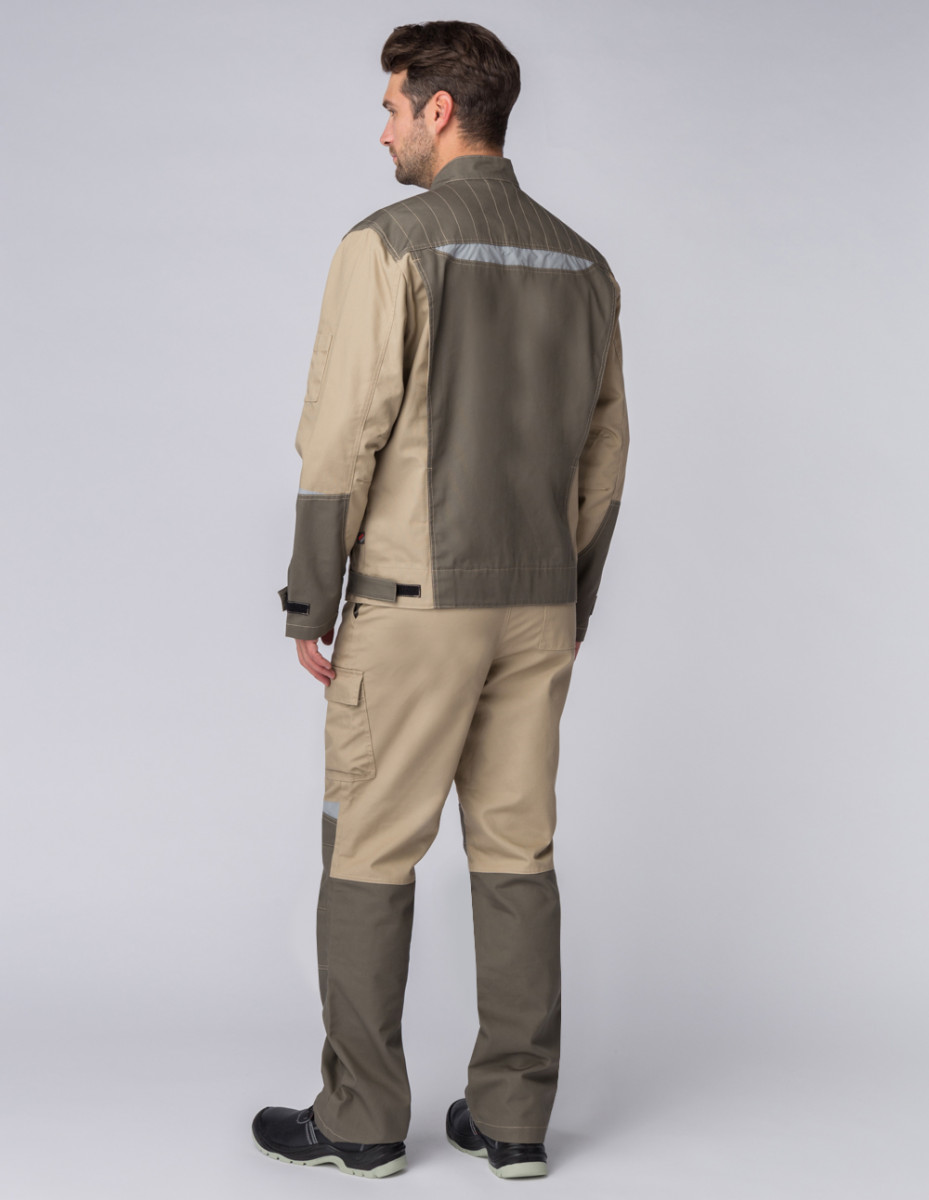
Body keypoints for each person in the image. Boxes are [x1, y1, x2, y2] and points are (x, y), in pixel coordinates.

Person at [252, 19, 630, 1180]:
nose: (381, 131)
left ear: (438, 110)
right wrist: (568, 600)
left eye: (389, 108)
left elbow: (339, 439)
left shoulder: (386, 246)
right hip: (536, 605)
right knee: (517, 848)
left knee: (369, 845)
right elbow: (605, 454)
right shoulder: (584, 265)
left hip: (413, 605)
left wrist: (311, 600)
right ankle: (513, 1121)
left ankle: (361, 1121)